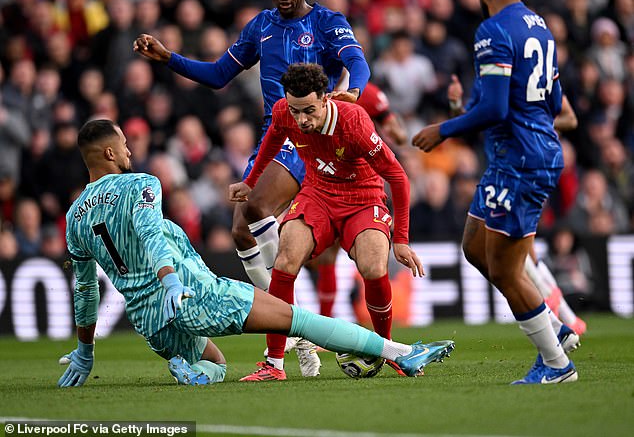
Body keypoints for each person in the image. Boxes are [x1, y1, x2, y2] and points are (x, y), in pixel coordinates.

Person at [57, 118, 454, 387]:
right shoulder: (140, 183)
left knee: (216, 362)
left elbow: (86, 291)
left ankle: (192, 370)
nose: (129, 150)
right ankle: (402, 352)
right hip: (193, 294)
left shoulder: (74, 216)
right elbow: (150, 235)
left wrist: (85, 352)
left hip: (150, 320)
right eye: (124, 144)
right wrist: (171, 278)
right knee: (297, 320)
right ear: (109, 154)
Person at [133, 0, 370, 375]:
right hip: (273, 132)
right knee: (241, 230)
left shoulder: (327, 22)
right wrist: (170, 58)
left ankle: (301, 326)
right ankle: (298, 331)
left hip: (312, 129)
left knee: (257, 207)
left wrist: (352, 90)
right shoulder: (260, 27)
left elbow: (358, 62)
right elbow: (219, 74)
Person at [412, 0, 577, 384]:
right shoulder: (540, 28)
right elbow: (555, 104)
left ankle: (557, 364)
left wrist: (444, 128)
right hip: (516, 156)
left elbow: (497, 107)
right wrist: (463, 109)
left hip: (520, 159)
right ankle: (553, 327)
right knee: (474, 246)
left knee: (504, 267)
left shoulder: (492, 29)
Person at [228, 63, 449, 381]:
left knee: (374, 266)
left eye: (309, 110)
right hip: (317, 194)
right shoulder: (283, 112)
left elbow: (398, 177)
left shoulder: (353, 121)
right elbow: (272, 142)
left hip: (363, 197)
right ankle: (274, 365)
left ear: (325, 98)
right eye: (295, 110)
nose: (302, 119)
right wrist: (250, 181)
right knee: (285, 260)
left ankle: (388, 351)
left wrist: (400, 239)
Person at [446, 75, 587, 337]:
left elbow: (570, 118)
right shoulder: (485, 80)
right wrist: (456, 107)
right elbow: (472, 121)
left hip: (523, 171)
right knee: (516, 252)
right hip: (498, 170)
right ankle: (565, 319)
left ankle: (559, 324)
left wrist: (530, 126)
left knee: (512, 252)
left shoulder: (535, 75)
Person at [306, 81, 407, 320]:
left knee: (369, 260)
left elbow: (398, 134)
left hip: (364, 186)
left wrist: (390, 134)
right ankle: (326, 323)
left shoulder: (366, 92)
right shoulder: (308, 96)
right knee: (326, 258)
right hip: (327, 181)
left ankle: (377, 330)